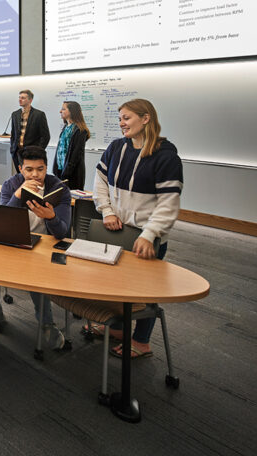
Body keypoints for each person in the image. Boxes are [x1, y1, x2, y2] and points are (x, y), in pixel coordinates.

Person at [93, 98, 183, 360]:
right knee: (116, 285)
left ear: (146, 119)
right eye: (120, 118)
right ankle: (119, 329)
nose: (122, 123)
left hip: (146, 237)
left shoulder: (166, 156)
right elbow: (100, 181)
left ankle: (141, 341)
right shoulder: (116, 147)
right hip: (117, 229)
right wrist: (107, 211)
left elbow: (168, 203)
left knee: (145, 291)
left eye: (127, 118)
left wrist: (149, 234)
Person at [0, 146, 71, 349]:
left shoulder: (58, 188)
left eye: (40, 169)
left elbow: (62, 232)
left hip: (45, 247)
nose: (35, 175)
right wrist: (17, 195)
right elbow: (2, 223)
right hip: (15, 243)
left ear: (46, 168)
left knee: (37, 275)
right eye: (29, 169)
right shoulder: (10, 185)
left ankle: (46, 324)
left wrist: (51, 217)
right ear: (20, 169)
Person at [53, 101, 90, 190]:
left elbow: (75, 155)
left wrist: (66, 173)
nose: (60, 111)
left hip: (72, 174)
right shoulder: (66, 127)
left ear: (72, 111)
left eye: (63, 109)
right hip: (60, 171)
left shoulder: (80, 130)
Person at [9, 89, 50, 169]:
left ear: (30, 100)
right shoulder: (15, 114)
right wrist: (12, 149)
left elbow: (45, 136)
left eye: (23, 98)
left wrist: (38, 151)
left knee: (30, 174)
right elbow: (13, 134)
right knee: (20, 173)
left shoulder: (39, 115)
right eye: (19, 97)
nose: (20, 100)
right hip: (17, 152)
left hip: (32, 152)